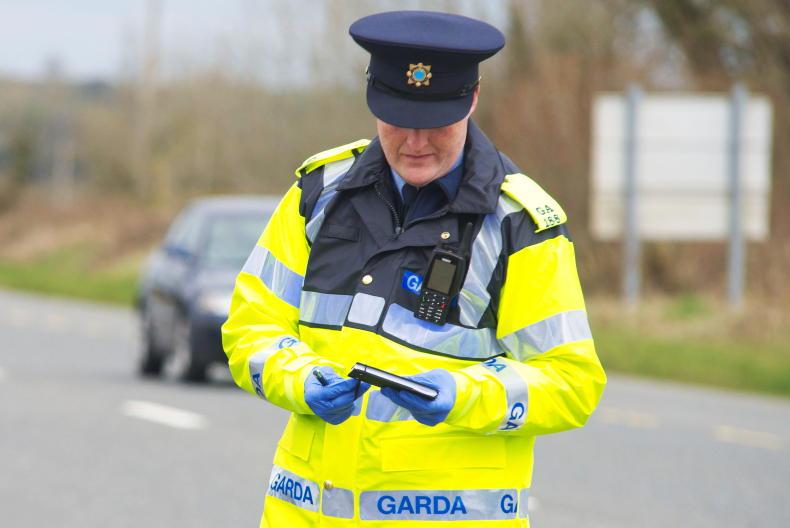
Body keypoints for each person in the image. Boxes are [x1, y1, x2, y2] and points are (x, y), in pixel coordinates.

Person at [222, 10, 606, 528]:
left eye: (435, 125)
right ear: (372, 100)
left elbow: (571, 383)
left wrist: (463, 396)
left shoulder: (519, 225)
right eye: (398, 120)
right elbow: (251, 328)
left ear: (471, 100)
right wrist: (301, 378)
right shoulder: (319, 195)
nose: (415, 143)